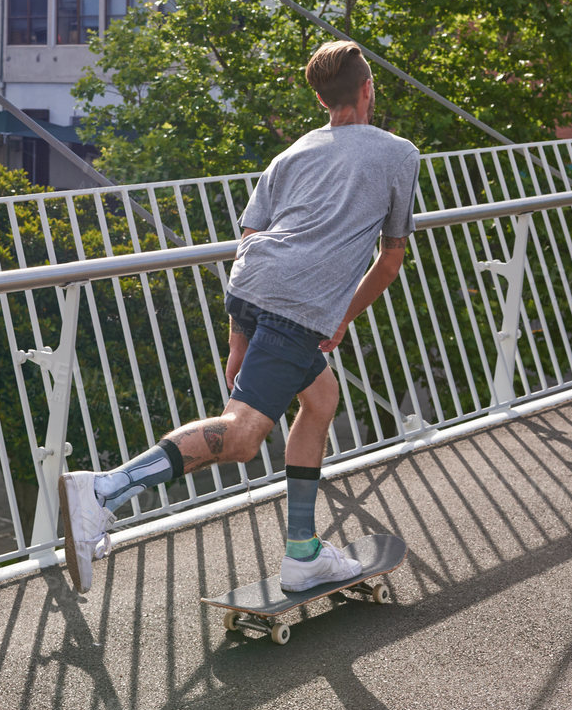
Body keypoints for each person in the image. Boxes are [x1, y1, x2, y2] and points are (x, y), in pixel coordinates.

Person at [58, 39, 420, 594]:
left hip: (252, 287)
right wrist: (340, 316)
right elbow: (390, 260)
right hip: (296, 306)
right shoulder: (400, 154)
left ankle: (303, 552)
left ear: (323, 100)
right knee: (245, 435)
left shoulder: (293, 153)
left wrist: (238, 338)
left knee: (320, 400)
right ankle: (105, 489)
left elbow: (250, 238)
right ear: (368, 90)